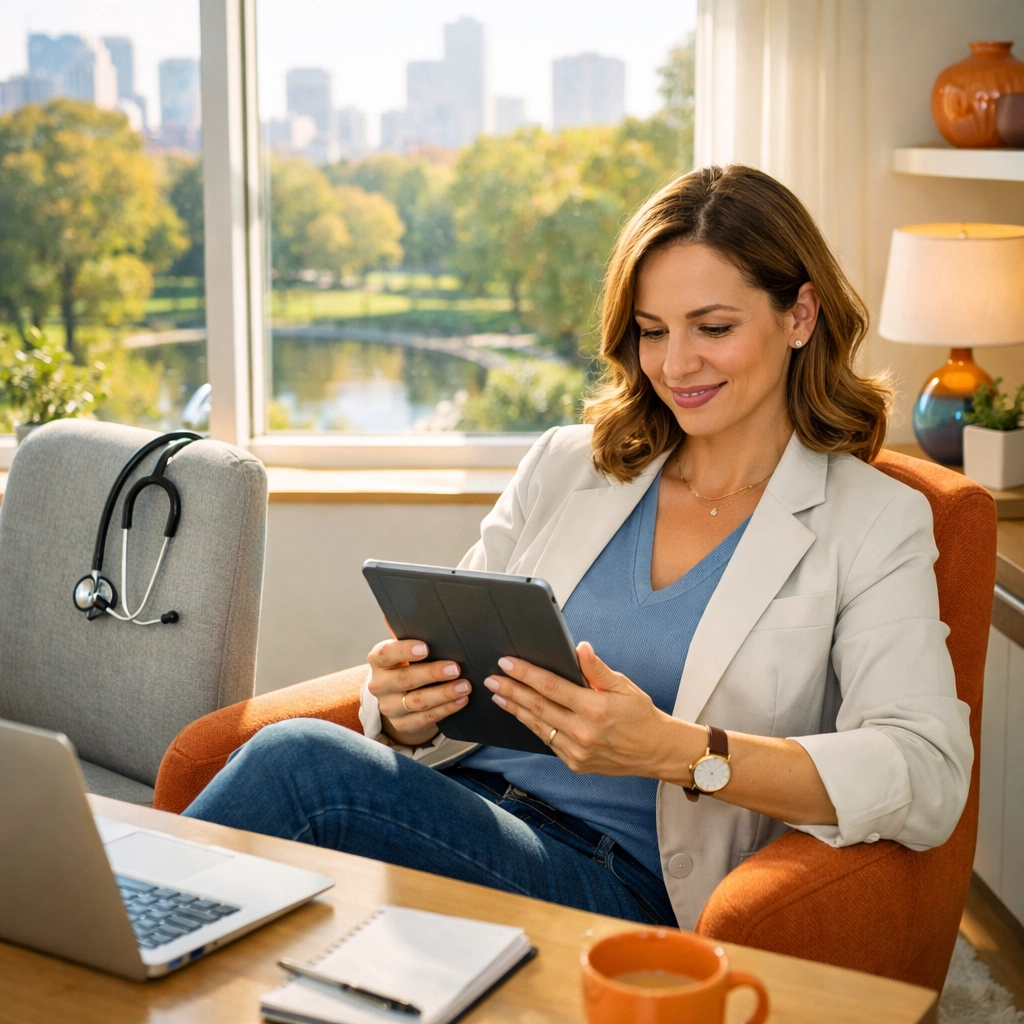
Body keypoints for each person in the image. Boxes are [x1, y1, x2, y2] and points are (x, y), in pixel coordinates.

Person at [184, 165, 972, 931]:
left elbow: (926, 772)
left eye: (715, 328)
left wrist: (683, 752)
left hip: (616, 881)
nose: (675, 364)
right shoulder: (570, 463)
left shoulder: (872, 521)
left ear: (800, 315)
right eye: (652, 331)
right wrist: (401, 712)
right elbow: (441, 677)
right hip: (460, 818)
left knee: (302, 768)